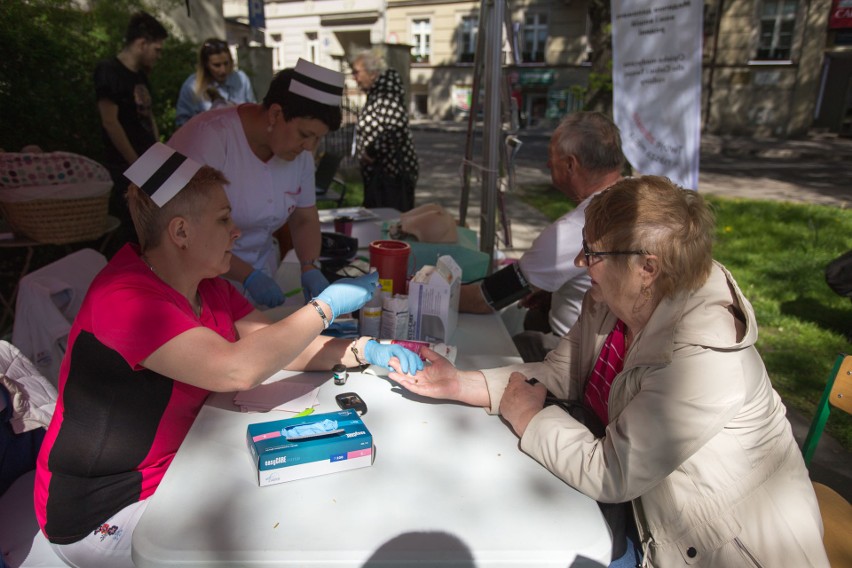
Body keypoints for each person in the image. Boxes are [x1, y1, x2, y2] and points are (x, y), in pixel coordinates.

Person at [389, 176, 830, 568]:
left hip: (710, 550)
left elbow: (610, 473)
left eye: (592, 252)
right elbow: (559, 374)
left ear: (647, 268)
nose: (581, 264)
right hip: (639, 516)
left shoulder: (703, 359)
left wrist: (530, 418)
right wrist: (461, 383)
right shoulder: (614, 302)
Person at [33, 144, 421, 568]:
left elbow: (272, 345)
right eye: (223, 220)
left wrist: (361, 350)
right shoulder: (123, 299)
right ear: (180, 232)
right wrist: (325, 307)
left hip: (177, 470)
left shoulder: (206, 285)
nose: (236, 231)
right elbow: (239, 368)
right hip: (102, 510)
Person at [169, 59, 344, 309]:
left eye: (318, 139)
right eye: (305, 135)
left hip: (262, 276)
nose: (310, 148)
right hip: (201, 284)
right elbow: (188, 231)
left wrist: (309, 265)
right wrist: (247, 276)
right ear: (275, 113)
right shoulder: (209, 139)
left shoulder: (299, 155)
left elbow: (304, 217)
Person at [458, 112, 624, 363]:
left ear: (571, 164)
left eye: (551, 158)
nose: (547, 166)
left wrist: (423, 292)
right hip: (629, 343)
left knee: (499, 352)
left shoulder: (575, 228)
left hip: (590, 353)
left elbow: (485, 299)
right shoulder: (637, 198)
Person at [94, 11, 168, 243]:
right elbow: (110, 121)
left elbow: (148, 116)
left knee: (161, 223)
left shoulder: (141, 76)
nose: (159, 56)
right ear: (141, 43)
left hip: (149, 161)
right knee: (133, 232)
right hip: (126, 167)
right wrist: (136, 165)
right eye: (157, 49)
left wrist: (158, 153)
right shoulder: (109, 71)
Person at [352, 48, 418, 212]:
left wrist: (371, 152)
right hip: (381, 177)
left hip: (390, 178)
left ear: (372, 73)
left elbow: (396, 129)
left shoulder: (387, 91)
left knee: (389, 223)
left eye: (356, 72)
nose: (355, 78)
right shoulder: (377, 92)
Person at [175, 38, 256, 128]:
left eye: (226, 63)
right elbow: (181, 123)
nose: (223, 70)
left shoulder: (241, 79)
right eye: (217, 65)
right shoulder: (192, 86)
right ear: (206, 64)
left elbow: (253, 113)